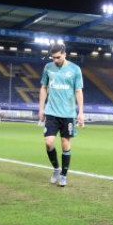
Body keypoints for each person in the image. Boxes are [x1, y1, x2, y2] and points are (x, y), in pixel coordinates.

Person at [38, 44, 84, 187]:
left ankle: (64, 175)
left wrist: (81, 112)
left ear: (65, 54)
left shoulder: (75, 69)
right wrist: (41, 108)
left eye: (58, 57)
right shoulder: (48, 67)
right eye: (53, 57)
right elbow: (43, 87)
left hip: (68, 113)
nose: (56, 60)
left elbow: (78, 91)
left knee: (65, 144)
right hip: (51, 111)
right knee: (49, 142)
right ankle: (56, 168)